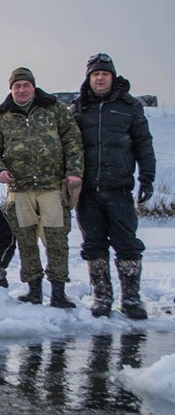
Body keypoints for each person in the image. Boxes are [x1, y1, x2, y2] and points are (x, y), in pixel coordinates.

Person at [0, 67, 84, 308]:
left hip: (52, 187)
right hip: (20, 189)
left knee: (56, 239)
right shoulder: (0, 116)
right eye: (17, 86)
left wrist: (74, 172)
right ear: (11, 89)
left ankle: (58, 291)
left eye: (25, 85)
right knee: (26, 240)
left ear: (33, 87)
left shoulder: (55, 109)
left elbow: (73, 142)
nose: (21, 89)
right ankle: (33, 289)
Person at [71, 53, 156, 319]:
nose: (100, 78)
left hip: (119, 189)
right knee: (93, 244)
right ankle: (102, 296)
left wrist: (147, 178)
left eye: (104, 74)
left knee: (127, 244)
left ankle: (131, 298)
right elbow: (67, 147)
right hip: (88, 192)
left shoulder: (129, 107)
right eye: (95, 74)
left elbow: (144, 144)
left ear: (112, 77)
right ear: (89, 78)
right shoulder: (78, 108)